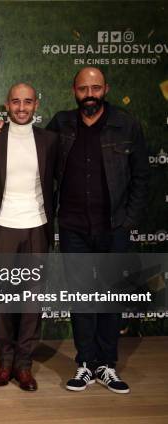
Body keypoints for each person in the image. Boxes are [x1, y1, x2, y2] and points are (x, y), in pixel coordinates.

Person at [46, 67, 148, 394]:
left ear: (105, 89)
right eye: (83, 89)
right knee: (81, 298)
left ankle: (107, 365)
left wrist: (128, 221)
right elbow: (32, 151)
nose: (89, 95)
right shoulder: (61, 124)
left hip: (113, 228)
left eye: (95, 88)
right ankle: (85, 364)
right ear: (74, 90)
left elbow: (141, 177)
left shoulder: (126, 124)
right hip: (74, 227)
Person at [0, 83, 58, 391]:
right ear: (7, 104)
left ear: (36, 104)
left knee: (31, 300)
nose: (22, 107)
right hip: (2, 226)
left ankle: (24, 365)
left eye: (28, 101)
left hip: (37, 227)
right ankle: (5, 362)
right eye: (16, 101)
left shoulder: (51, 140)